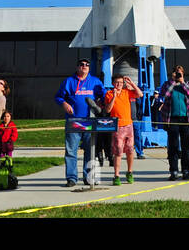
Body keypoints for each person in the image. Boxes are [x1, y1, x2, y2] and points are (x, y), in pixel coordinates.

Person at [57, 59, 103, 187]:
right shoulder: (69, 81)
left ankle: (89, 177)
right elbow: (58, 97)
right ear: (77, 67)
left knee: (90, 151)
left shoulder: (95, 82)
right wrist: (64, 104)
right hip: (74, 121)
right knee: (71, 151)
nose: (84, 67)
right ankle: (71, 178)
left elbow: (103, 95)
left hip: (90, 121)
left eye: (87, 65)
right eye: (82, 65)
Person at [156, 65, 189, 180]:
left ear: (183, 73)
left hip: (186, 118)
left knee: (186, 146)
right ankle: (173, 170)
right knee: (173, 146)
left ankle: (186, 170)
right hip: (172, 118)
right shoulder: (167, 84)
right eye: (175, 72)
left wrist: (182, 82)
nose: (178, 75)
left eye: (180, 73)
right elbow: (165, 95)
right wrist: (174, 82)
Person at [105, 73, 142, 185]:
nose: (119, 84)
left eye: (121, 82)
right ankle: (116, 175)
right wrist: (115, 96)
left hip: (128, 125)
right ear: (113, 83)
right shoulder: (109, 93)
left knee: (130, 150)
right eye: (117, 82)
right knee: (118, 152)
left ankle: (129, 172)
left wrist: (131, 83)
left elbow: (139, 94)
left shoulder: (127, 92)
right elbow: (108, 110)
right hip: (117, 126)